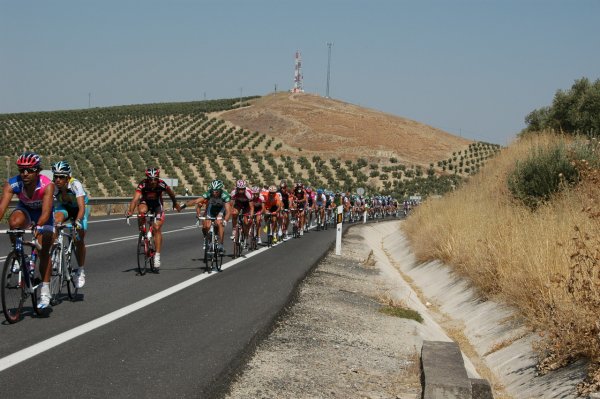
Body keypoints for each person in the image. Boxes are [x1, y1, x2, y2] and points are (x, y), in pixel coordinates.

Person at [0, 152, 55, 309]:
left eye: (29, 170)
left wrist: (39, 226)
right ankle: (18, 255)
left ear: (37, 171)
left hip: (43, 215)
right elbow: (2, 207)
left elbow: (46, 212)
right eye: (21, 170)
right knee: (14, 222)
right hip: (25, 210)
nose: (25, 173)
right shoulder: (13, 184)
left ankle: (45, 289)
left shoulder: (47, 185)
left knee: (43, 249)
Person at [125, 167, 181, 272]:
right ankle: (142, 231)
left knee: (156, 227)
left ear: (158, 178)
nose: (153, 181)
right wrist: (130, 211)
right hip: (145, 202)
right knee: (141, 212)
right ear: (147, 178)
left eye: (155, 179)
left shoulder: (162, 184)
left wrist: (175, 203)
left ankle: (157, 256)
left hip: (157, 205)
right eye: (150, 179)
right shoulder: (143, 184)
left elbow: (171, 194)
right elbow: (135, 199)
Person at [52, 160, 90, 288]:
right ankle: (56, 252)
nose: (57, 179)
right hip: (65, 208)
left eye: (61, 177)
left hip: (79, 209)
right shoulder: (54, 186)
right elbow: (49, 206)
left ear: (68, 177)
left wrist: (77, 222)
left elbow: (81, 208)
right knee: (55, 221)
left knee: (79, 238)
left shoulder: (75, 184)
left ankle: (81, 270)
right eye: (55, 176)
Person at [181, 179, 231, 252]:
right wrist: (184, 206)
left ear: (220, 190)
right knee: (207, 225)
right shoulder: (209, 193)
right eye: (213, 190)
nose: (214, 192)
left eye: (216, 191)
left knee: (219, 223)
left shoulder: (225, 195)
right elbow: (196, 201)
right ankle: (209, 240)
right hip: (211, 210)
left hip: (221, 210)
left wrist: (225, 220)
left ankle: (221, 244)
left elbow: (228, 211)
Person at [230, 179, 254, 245]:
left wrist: (250, 216)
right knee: (234, 213)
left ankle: (247, 232)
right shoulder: (233, 192)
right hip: (238, 203)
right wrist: (230, 212)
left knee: (246, 222)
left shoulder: (249, 193)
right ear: (237, 188)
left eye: (242, 189)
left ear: (245, 188)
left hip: (247, 205)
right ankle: (234, 229)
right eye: (239, 189)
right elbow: (231, 205)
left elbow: (251, 207)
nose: (241, 191)